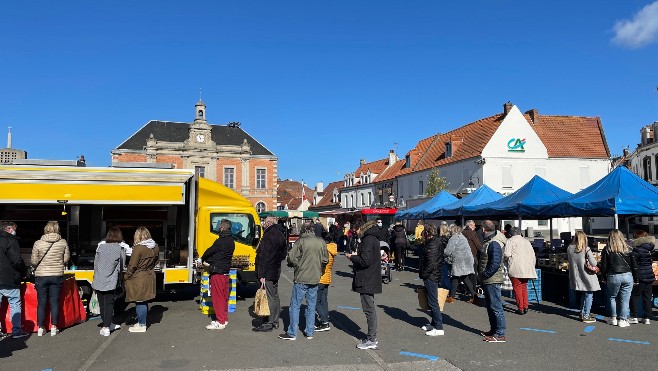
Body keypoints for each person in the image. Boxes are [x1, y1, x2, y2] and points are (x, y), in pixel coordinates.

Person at [279, 222, 328, 340]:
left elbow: (291, 257)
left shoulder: (300, 241)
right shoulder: (321, 241)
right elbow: (325, 259)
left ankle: (292, 332)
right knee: (311, 305)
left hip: (301, 276)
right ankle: (310, 331)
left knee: (295, 305)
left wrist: (296, 263)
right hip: (315, 277)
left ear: (303, 230)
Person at [346, 220, 382, 349]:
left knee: (369, 309)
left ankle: (371, 339)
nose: (356, 234)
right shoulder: (373, 238)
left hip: (366, 278)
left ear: (360, 228)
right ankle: (372, 337)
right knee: (370, 308)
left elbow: (365, 261)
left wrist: (352, 257)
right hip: (370, 277)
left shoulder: (368, 239)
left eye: (355, 231)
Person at [31, 221, 70, 336]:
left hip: (41, 275)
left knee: (42, 301)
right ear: (57, 229)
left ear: (46, 229)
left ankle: (41, 327)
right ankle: (54, 326)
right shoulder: (63, 242)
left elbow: (34, 261)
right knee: (54, 301)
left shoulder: (38, 243)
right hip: (56, 275)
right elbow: (66, 258)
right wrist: (57, 263)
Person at [253, 217, 288, 332]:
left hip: (267, 270)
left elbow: (263, 256)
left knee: (269, 296)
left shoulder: (268, 235)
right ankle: (275, 320)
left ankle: (270, 322)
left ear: (268, 223)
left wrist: (261, 274)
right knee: (274, 296)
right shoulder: (281, 235)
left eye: (264, 223)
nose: (263, 225)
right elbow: (284, 254)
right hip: (275, 269)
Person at [123, 227, 159, 333]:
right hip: (149, 275)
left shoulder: (138, 248)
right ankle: (141, 322)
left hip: (139, 276)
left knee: (140, 301)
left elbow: (132, 265)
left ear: (137, 236)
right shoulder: (155, 246)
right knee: (144, 300)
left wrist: (126, 275)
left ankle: (142, 324)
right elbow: (156, 261)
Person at [202, 219, 235, 330]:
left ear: (222, 228)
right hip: (226, 272)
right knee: (224, 297)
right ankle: (224, 319)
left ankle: (220, 321)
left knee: (218, 298)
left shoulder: (220, 241)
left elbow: (209, 252)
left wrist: (204, 259)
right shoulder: (231, 240)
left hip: (217, 272)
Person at [92, 226, 126, 336]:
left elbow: (95, 265)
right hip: (111, 281)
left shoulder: (100, 248)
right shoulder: (120, 250)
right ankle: (107, 327)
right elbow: (121, 267)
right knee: (109, 304)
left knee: (102, 304)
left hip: (98, 280)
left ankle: (107, 324)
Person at [600, 229, 637, 328]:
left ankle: (614, 318)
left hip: (613, 275)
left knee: (613, 297)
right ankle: (623, 320)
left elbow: (603, 266)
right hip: (627, 275)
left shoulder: (607, 249)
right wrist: (636, 278)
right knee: (625, 299)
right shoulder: (628, 248)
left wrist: (603, 277)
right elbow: (634, 265)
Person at [478, 220, 507, 343]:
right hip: (489, 278)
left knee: (496, 306)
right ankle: (494, 330)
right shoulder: (490, 241)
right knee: (491, 306)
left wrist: (485, 274)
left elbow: (495, 263)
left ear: (484, 230)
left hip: (492, 279)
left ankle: (500, 333)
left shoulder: (494, 243)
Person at [0, 221, 29, 338]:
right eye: (13, 229)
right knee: (14, 303)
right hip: (9, 278)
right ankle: (16, 331)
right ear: (8, 229)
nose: (14, 231)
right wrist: (24, 271)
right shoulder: (11, 240)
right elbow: (16, 260)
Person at [566, 231, 601, 323]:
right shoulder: (586, 248)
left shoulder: (570, 248)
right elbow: (594, 263)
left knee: (584, 294)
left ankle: (582, 313)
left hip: (577, 274)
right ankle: (586, 315)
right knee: (589, 294)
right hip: (587, 274)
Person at [418, 224, 445, 336]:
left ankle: (439, 327)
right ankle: (434, 323)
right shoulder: (433, 242)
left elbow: (431, 262)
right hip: (432, 274)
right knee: (432, 300)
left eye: (424, 233)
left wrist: (424, 274)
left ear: (428, 233)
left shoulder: (433, 244)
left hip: (431, 275)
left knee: (433, 302)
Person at [504, 227, 537, 314]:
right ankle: (525, 306)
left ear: (511, 233)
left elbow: (507, 254)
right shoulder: (526, 241)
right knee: (524, 287)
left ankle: (520, 308)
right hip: (527, 267)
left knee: (517, 287)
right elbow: (533, 255)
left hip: (516, 266)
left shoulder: (510, 240)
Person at [444, 225, 477, 303]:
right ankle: (474, 295)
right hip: (467, 259)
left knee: (455, 277)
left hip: (459, 260)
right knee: (464, 277)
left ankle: (451, 297)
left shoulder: (454, 238)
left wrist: (442, 253)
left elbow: (448, 251)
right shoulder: (462, 237)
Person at [629, 230, 654, 324]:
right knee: (647, 297)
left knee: (635, 296)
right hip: (650, 275)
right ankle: (647, 317)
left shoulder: (637, 250)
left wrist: (635, 277)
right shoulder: (650, 248)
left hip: (640, 275)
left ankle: (634, 316)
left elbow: (634, 264)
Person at [315, 232, 338, 332]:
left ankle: (324, 321)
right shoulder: (332, 248)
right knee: (323, 300)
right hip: (327, 277)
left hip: (321, 277)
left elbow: (320, 263)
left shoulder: (325, 249)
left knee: (315, 300)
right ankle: (325, 318)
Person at [462, 220, 482, 304]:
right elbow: (478, 245)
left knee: (466, 276)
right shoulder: (472, 233)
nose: (475, 227)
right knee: (473, 276)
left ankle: (469, 291)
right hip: (472, 257)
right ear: (470, 225)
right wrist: (483, 251)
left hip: (464, 257)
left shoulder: (462, 232)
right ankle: (473, 295)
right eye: (474, 225)